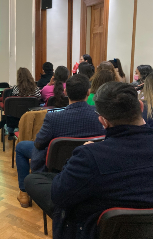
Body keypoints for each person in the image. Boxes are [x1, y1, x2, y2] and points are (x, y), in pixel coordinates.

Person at [26, 82, 153, 239]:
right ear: (141, 107)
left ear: (103, 121)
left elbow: (58, 196)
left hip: (95, 229)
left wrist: (81, 155)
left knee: (36, 181)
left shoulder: (90, 156)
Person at [15, 74, 105, 208]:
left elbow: (39, 143)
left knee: (21, 146)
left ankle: (24, 193)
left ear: (65, 92)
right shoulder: (101, 115)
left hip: (55, 162)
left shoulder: (53, 118)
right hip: (89, 163)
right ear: (88, 91)